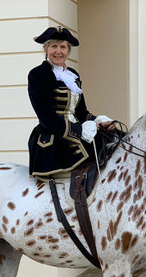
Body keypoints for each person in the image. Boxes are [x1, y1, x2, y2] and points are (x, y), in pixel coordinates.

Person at [27, 26, 114, 177]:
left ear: (68, 51)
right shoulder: (38, 74)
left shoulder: (72, 75)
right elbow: (47, 119)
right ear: (46, 49)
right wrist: (80, 131)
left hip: (78, 132)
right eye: (54, 46)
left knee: (113, 139)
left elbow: (81, 112)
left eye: (63, 47)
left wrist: (98, 121)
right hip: (54, 138)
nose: (58, 51)